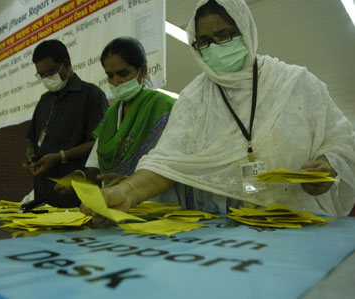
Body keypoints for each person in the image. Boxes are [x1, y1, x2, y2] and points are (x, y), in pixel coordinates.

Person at [83, 0, 355, 225]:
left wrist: (326, 166)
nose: (213, 46)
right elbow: (166, 161)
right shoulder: (195, 96)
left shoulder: (296, 83)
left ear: (245, 31)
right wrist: (126, 191)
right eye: (203, 41)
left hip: (298, 223)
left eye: (224, 35)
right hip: (227, 230)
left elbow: (341, 141)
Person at [56, 36, 176, 191]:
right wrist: (80, 177)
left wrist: (131, 181)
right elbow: (95, 167)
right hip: (117, 203)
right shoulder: (110, 117)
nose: (116, 81)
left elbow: (175, 162)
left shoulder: (164, 107)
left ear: (143, 70)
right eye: (110, 75)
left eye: (123, 73)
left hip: (157, 202)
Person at [23, 39, 108, 208]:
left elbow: (99, 143)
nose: (47, 78)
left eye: (51, 72)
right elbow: (31, 140)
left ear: (66, 65)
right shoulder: (45, 100)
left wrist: (58, 157)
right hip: (43, 193)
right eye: (42, 75)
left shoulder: (91, 95)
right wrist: (30, 155)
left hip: (76, 195)